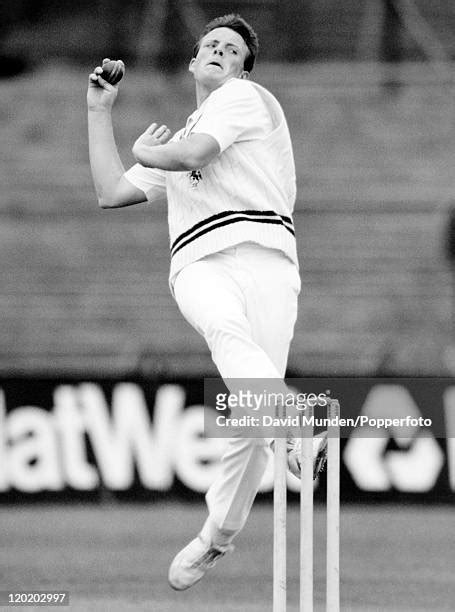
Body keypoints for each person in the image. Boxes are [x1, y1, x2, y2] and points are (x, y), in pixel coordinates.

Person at [87, 13, 327, 592]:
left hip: (269, 258)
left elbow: (192, 155)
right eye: (210, 45)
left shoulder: (246, 99)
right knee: (224, 331)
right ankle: (295, 420)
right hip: (200, 263)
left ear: (244, 67)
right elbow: (111, 191)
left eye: (232, 48)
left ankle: (216, 538)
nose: (220, 50)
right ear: (193, 62)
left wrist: (150, 148)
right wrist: (99, 111)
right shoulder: (181, 135)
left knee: (249, 419)